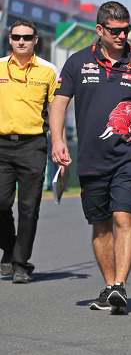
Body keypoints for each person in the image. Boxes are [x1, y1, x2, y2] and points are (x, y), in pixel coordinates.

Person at [50, 1, 131, 314]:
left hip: (129, 155)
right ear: (100, 30)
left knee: (123, 218)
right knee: (101, 226)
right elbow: (59, 104)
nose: (121, 35)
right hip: (90, 158)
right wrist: (58, 141)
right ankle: (109, 287)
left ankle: (120, 286)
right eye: (115, 30)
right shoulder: (77, 63)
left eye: (126, 30)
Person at [0, 20, 59, 284]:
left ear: (36, 40)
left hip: (33, 145)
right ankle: (11, 250)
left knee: (29, 207)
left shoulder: (48, 70)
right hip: (0, 145)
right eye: (16, 37)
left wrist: (59, 142)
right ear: (10, 40)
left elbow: (56, 110)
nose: (21, 41)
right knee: (1, 205)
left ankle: (20, 264)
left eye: (26, 37)